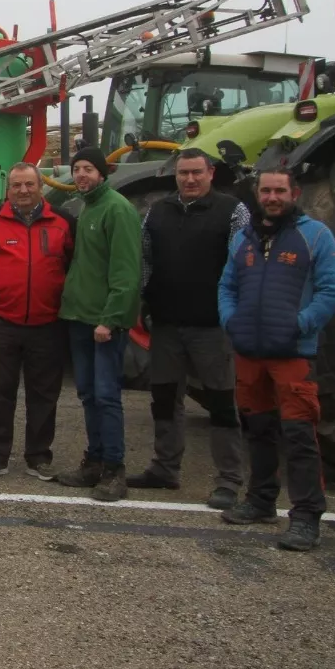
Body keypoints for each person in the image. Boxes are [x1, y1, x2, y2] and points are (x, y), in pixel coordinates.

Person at [216, 168, 335, 551]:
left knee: (299, 434)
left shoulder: (315, 236)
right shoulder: (244, 238)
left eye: (279, 191)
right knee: (257, 429)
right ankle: (260, 500)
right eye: (266, 190)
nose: (272, 197)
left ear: (294, 193)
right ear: (257, 194)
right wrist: (231, 321)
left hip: (292, 354)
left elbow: (333, 290)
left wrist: (301, 324)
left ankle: (306, 516)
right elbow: (227, 285)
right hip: (250, 352)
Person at [128, 149, 250, 508]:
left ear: (211, 173)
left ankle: (228, 480)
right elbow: (146, 261)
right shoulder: (158, 211)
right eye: (183, 173)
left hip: (212, 327)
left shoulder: (232, 212)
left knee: (222, 403)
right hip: (167, 325)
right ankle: (165, 468)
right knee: (165, 400)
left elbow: (240, 267)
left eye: (197, 172)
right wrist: (143, 303)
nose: (190, 179)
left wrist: (234, 313)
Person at [0, 163, 73, 480]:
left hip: (48, 323)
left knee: (44, 395)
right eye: (16, 186)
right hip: (0, 322)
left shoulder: (64, 222)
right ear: (7, 189)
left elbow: (73, 266)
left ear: (40, 186)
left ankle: (39, 457)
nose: (23, 191)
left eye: (29, 184)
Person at [55, 146, 143, 502]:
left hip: (102, 323)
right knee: (89, 394)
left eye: (88, 169)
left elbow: (126, 271)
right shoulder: (88, 207)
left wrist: (110, 319)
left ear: (102, 173)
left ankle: (114, 469)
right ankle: (94, 460)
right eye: (77, 169)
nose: (81, 175)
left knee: (107, 396)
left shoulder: (118, 210)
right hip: (79, 318)